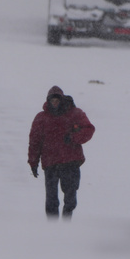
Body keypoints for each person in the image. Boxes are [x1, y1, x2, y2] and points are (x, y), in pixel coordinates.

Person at [28, 86, 95, 219]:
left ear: (62, 99)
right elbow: (34, 142)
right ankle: (53, 230)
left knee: (70, 198)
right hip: (51, 164)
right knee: (51, 201)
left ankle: (66, 223)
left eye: (57, 100)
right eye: (52, 100)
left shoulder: (75, 113)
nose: (54, 103)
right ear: (48, 101)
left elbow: (89, 129)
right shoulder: (41, 118)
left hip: (70, 163)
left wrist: (73, 137)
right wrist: (33, 162)